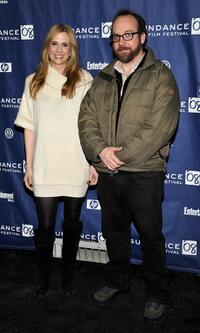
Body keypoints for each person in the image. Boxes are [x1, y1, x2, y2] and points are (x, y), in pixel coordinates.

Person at [78, 9, 180, 323]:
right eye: (117, 37)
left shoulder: (161, 75)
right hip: (108, 174)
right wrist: (99, 151)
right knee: (114, 232)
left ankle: (157, 293)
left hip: (144, 173)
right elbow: (86, 120)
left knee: (150, 235)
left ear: (142, 37)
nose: (122, 41)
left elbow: (160, 128)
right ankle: (116, 281)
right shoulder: (104, 77)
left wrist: (119, 155)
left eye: (128, 34)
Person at [15, 24, 98, 298]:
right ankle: (45, 279)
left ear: (72, 49)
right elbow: (30, 127)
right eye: (54, 44)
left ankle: (68, 278)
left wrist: (92, 162)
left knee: (72, 223)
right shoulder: (33, 81)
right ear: (47, 47)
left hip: (76, 162)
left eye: (65, 45)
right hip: (45, 164)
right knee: (46, 227)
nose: (59, 50)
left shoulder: (85, 79)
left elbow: (92, 126)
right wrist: (29, 165)